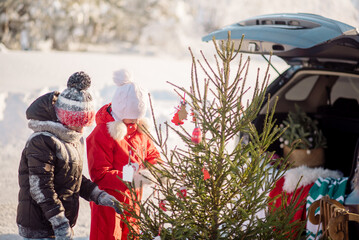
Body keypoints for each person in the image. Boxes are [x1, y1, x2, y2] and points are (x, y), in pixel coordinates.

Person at [17, 71, 122, 240]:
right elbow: (41, 188)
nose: (82, 129)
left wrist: (99, 195)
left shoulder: (71, 139)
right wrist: (59, 222)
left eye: (85, 124)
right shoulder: (43, 141)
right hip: (39, 226)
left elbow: (72, 177)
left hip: (58, 225)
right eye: (79, 124)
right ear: (67, 120)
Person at [87, 69, 161, 240]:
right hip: (108, 205)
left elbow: (153, 155)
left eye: (137, 118)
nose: (134, 122)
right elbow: (100, 173)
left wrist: (153, 171)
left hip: (133, 204)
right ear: (120, 113)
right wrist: (132, 179)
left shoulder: (140, 131)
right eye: (130, 118)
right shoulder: (102, 133)